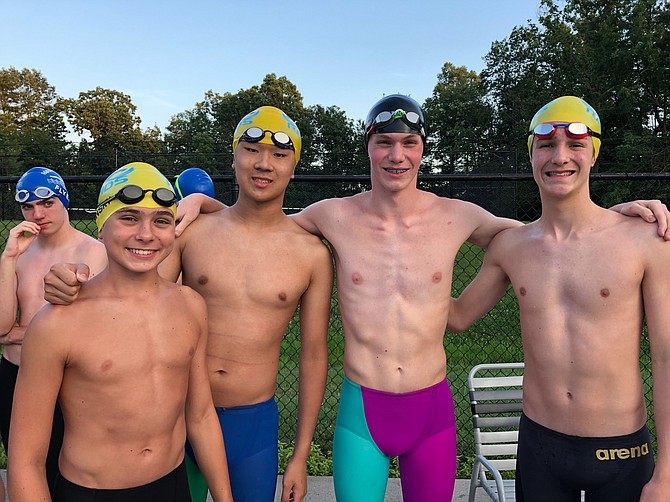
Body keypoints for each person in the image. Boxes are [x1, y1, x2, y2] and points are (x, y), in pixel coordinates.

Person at [46, 96, 669, 502]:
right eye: (382, 142)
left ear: (424, 150)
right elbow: (260, 224)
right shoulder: (329, 218)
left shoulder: (461, 217)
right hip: (360, 408)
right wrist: (197, 204)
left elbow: (548, 237)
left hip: (431, 405)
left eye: (409, 144)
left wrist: (612, 217)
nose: (396, 155)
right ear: (367, 148)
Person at [44, 107, 334, 502]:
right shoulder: (192, 231)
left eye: (280, 155)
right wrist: (74, 279)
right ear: (233, 158)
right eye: (251, 149)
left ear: (294, 167)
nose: (263, 163)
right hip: (172, 414)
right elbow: (132, 293)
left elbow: (314, 356)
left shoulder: (311, 254)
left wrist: (300, 454)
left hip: (252, 420)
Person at [447, 96, 670, 501]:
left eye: (575, 144)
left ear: (594, 154)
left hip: (621, 450)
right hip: (540, 448)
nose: (560, 157)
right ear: (532, 155)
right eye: (547, 145)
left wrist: (668, 474)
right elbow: (458, 316)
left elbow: (666, 357)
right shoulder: (511, 247)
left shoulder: (643, 239)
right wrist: (403, 269)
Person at [8, 162, 233, 501]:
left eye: (161, 220)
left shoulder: (190, 307)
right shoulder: (58, 322)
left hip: (173, 486)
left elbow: (200, 415)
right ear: (101, 227)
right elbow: (26, 461)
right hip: (92, 491)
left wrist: (224, 497)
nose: (146, 234)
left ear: (173, 230)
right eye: (129, 218)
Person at [0, 167, 108, 498]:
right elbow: (1, 326)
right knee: (25, 466)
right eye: (28, 207)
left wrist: (19, 334)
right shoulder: (19, 254)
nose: (37, 214)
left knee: (67, 469)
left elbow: (95, 331)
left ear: (64, 200)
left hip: (68, 380)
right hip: (15, 375)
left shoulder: (92, 252)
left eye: (47, 203)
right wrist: (7, 257)